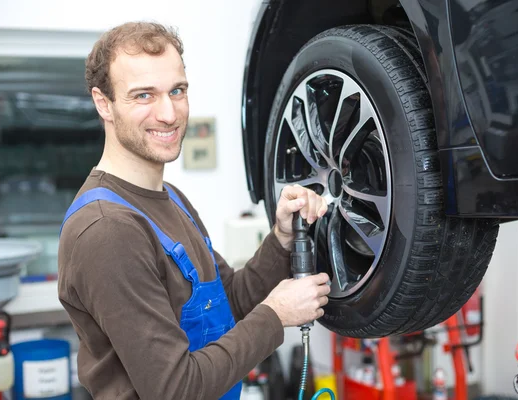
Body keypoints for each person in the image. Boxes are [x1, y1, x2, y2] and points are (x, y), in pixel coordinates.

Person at [57, 21, 331, 400]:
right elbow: (174, 389)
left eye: (177, 90)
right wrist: (275, 317)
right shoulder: (108, 230)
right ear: (104, 103)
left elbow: (230, 303)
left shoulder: (171, 199)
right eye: (143, 96)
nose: (168, 114)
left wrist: (281, 238)